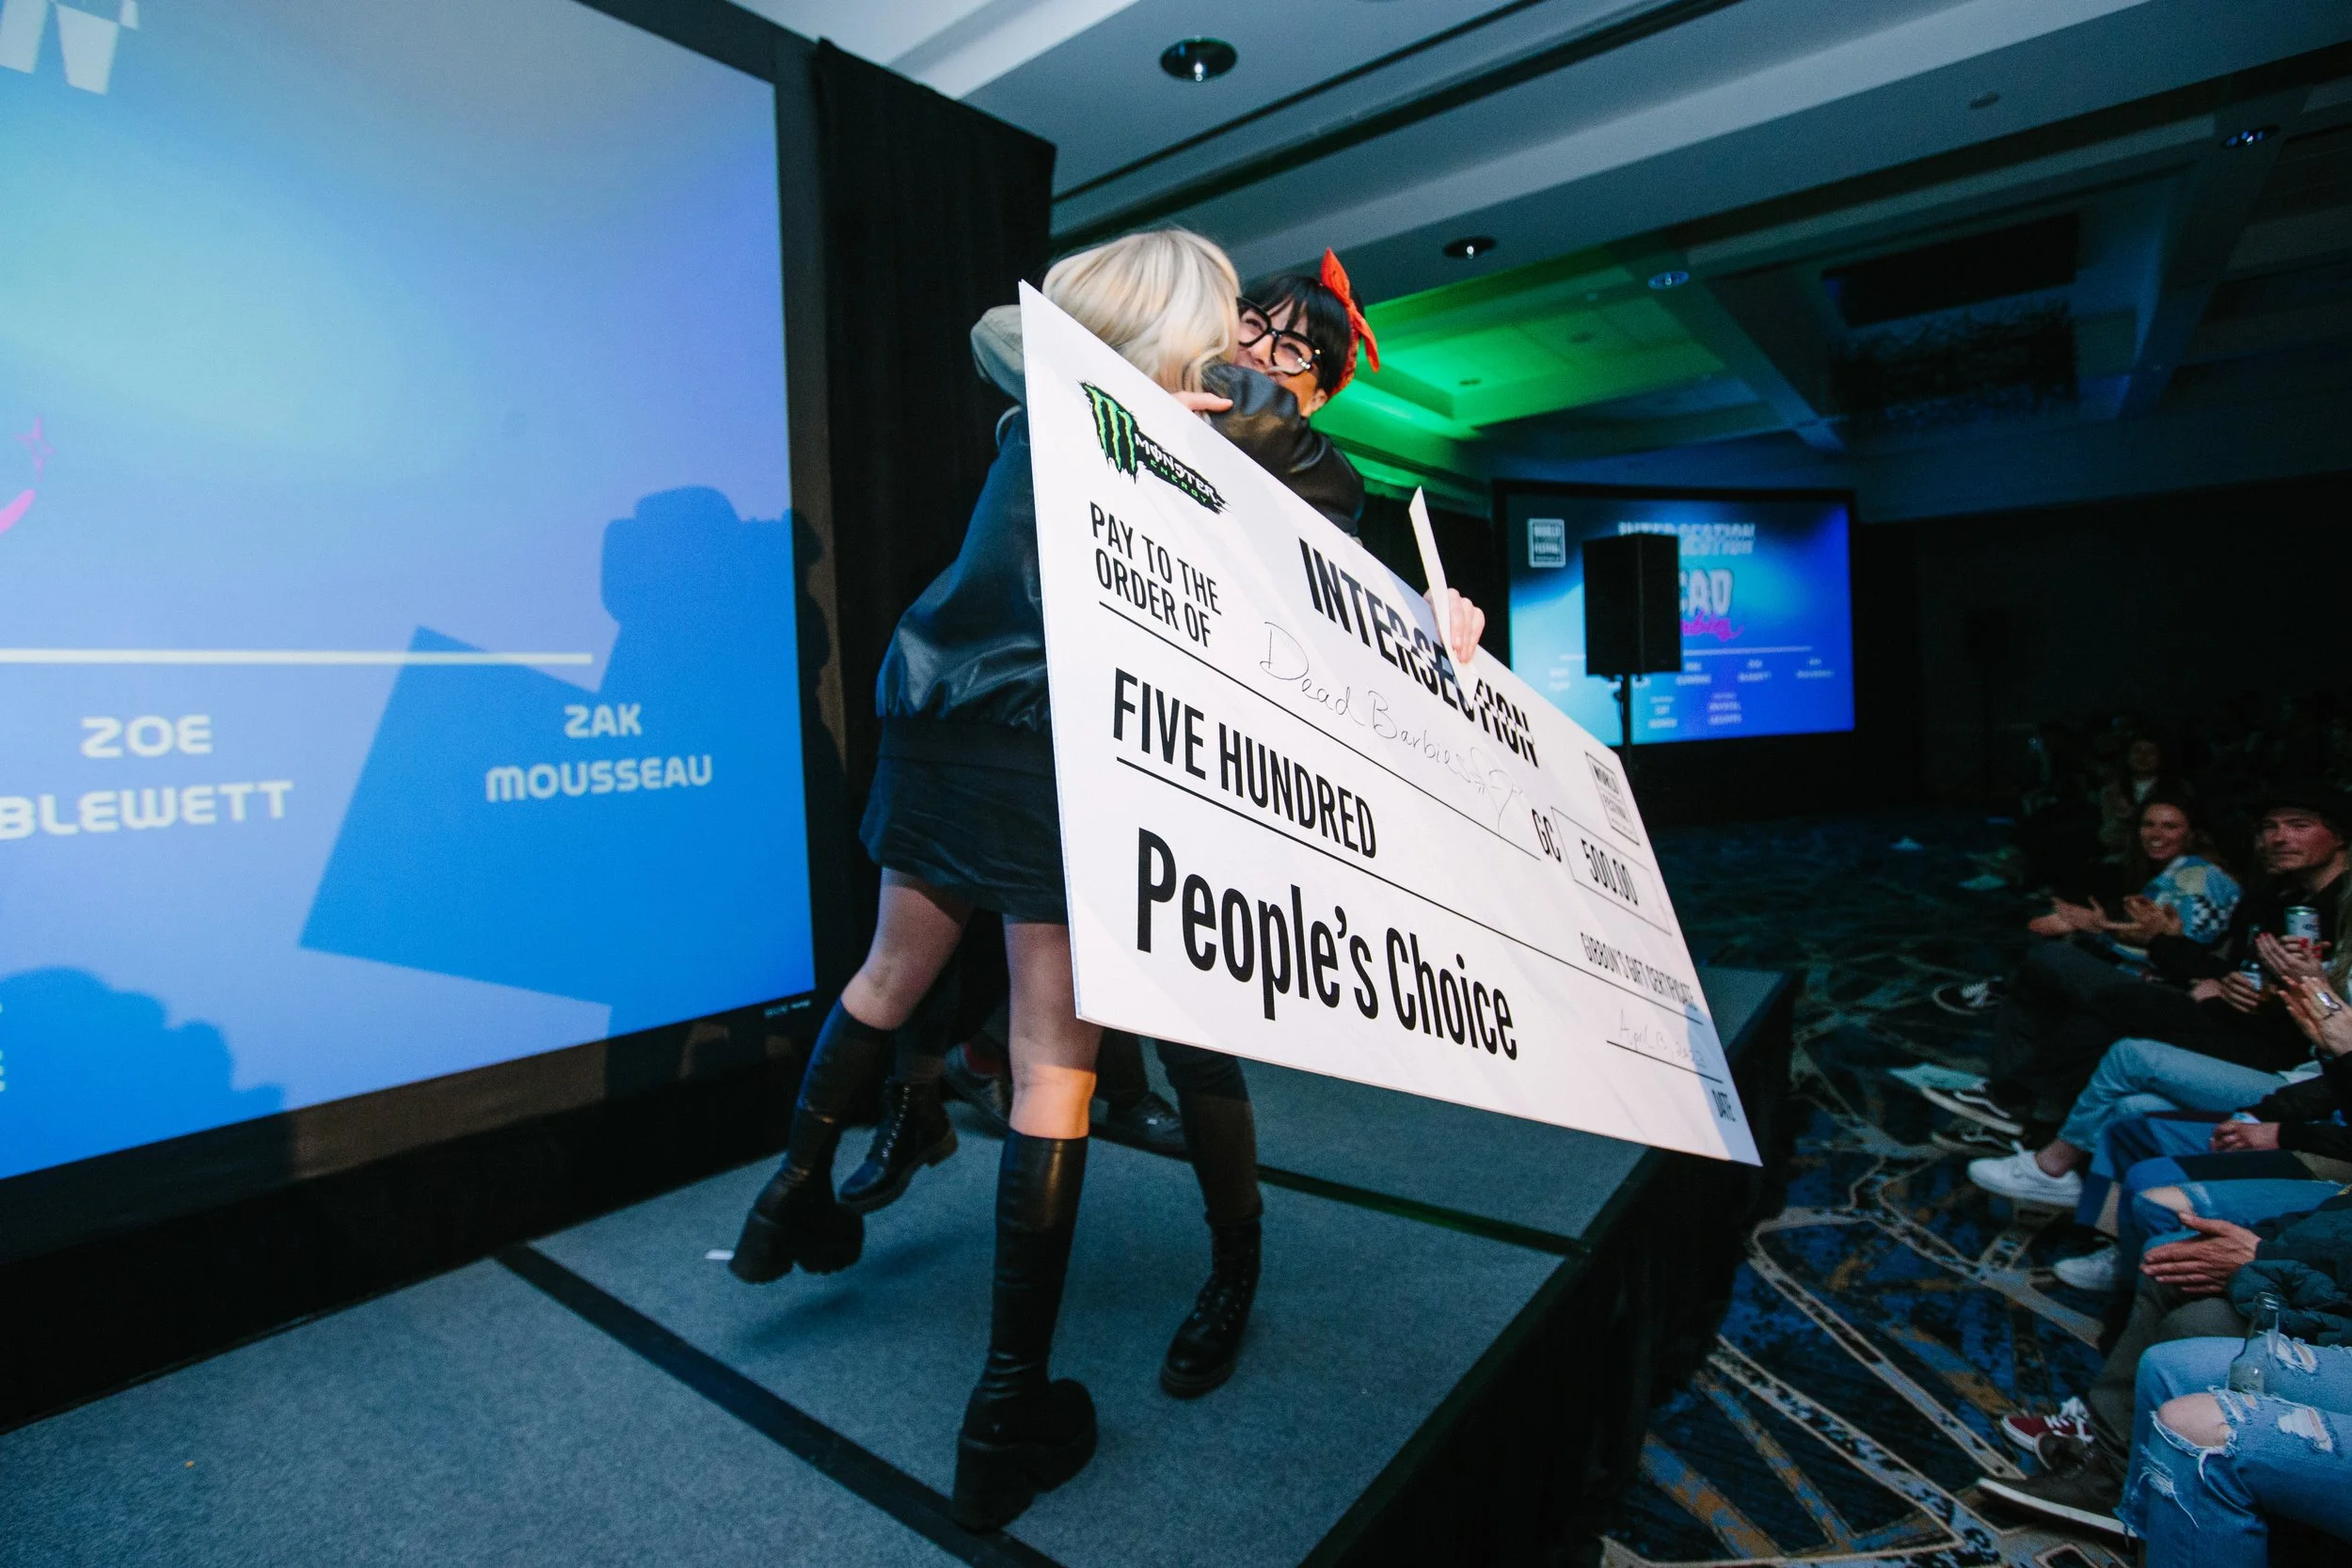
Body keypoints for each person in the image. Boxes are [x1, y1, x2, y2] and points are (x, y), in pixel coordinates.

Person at [725, 229, 1486, 1531]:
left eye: (1290, 346)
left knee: (894, 974)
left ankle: (788, 1197)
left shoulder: (1047, 406)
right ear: (1197, 331)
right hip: (1062, 748)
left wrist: (1423, 623)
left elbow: (1314, 577)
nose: (1260, 350)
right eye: (1246, 326)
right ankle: (1005, 1405)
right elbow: (1335, 515)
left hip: (941, 711)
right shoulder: (1178, 424)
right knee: (1055, 1060)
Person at [1965, 788, 2351, 1208]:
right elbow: (2235, 969)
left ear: (2340, 837)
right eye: (2269, 829)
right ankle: (2063, 1169)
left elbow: (2317, 1012)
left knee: (2118, 1015)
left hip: (2288, 1055)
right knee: (2122, 1068)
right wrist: (2219, 977)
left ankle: (2021, 1116)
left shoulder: (2314, 902)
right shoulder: (2278, 897)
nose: (2278, 838)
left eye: (2298, 826)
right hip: (2246, 1023)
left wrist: (2178, 954)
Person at [1925, 790, 2238, 1139]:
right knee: (2040, 970)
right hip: (2141, 977)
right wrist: (2095, 927)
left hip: (2164, 991)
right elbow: (2154, 939)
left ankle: (2011, 1086)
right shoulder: (2170, 872)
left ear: (2193, 833)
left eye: (2170, 826)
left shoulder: (2201, 876)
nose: (2156, 834)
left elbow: (2184, 951)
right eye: (2148, 824)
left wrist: (2096, 929)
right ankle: (2013, 1107)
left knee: (2051, 959)